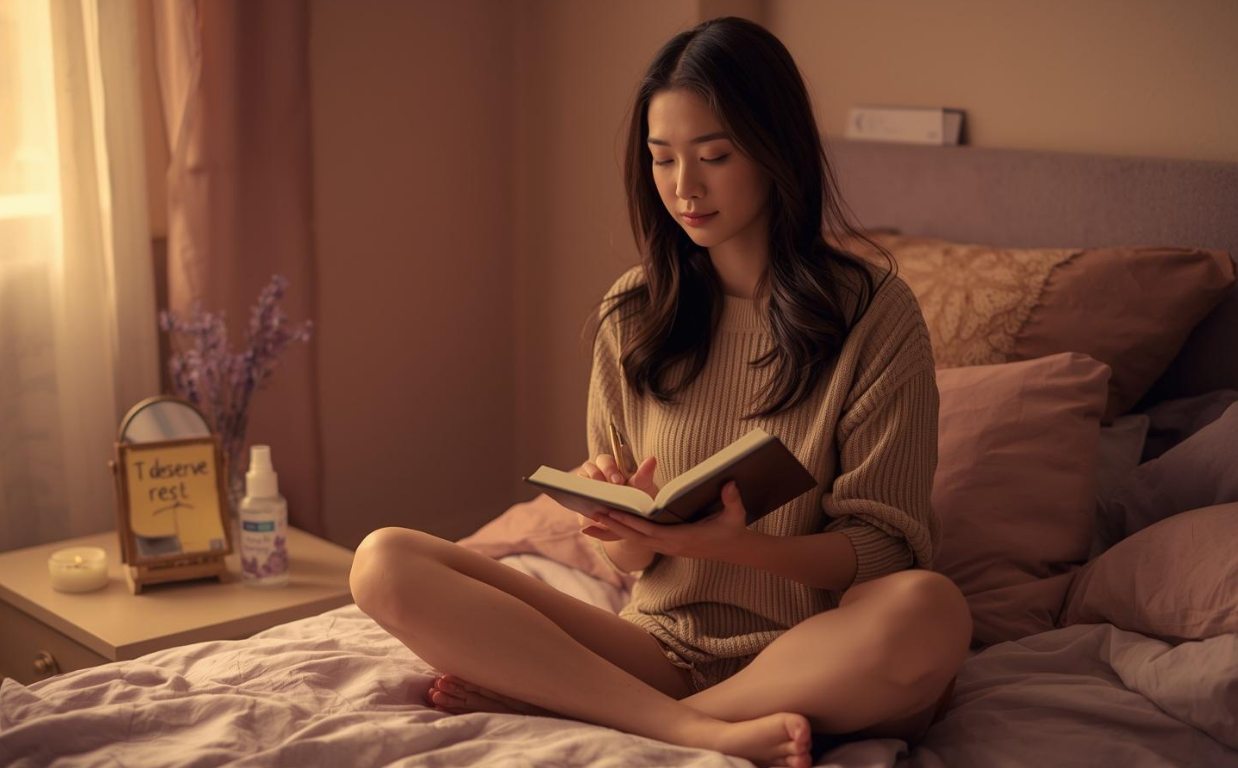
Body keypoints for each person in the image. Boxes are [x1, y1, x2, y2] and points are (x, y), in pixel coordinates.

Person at [349, 16, 971, 768]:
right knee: (383, 560)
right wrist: (625, 529)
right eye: (662, 158)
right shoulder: (634, 312)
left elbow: (886, 549)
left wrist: (741, 548)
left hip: (821, 657)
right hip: (659, 650)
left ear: (775, 151)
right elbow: (632, 570)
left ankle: (598, 708)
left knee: (930, 607)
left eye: (714, 156)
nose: (684, 188)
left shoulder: (874, 312)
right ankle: (688, 726)